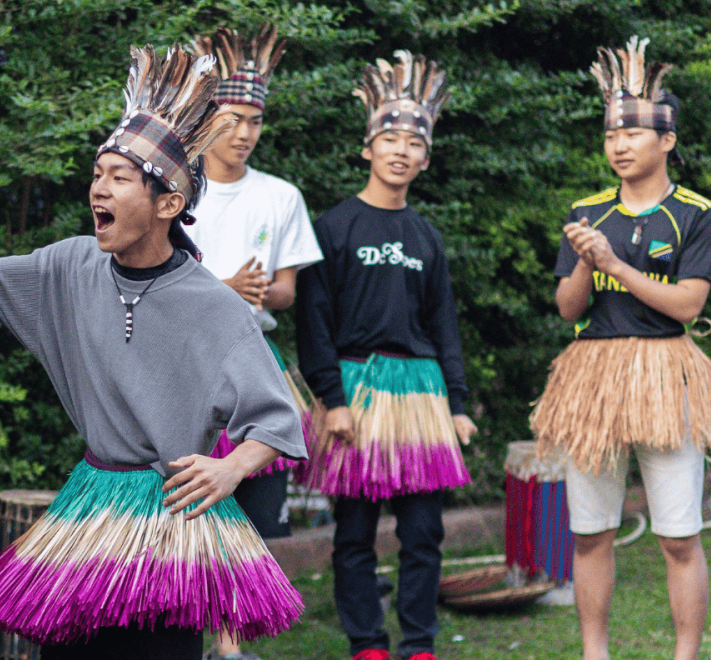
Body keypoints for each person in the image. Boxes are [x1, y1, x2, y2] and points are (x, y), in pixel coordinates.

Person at [0, 45, 305, 659]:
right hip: (91, 508)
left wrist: (229, 468)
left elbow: (277, 419)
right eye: (97, 173)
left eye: (119, 177)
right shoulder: (70, 266)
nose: (98, 189)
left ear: (168, 203)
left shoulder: (214, 306)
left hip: (171, 519)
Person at [531, 36, 711, 660]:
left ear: (666, 140)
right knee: (590, 533)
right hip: (593, 376)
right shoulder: (587, 212)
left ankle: (685, 655)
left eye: (634, 134)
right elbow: (568, 308)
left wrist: (613, 259)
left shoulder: (697, 214)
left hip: (665, 374)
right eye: (612, 134)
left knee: (678, 535)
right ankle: (595, 653)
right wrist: (589, 262)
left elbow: (687, 305)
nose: (619, 145)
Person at [293, 51, 476, 660]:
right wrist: (331, 399)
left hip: (421, 394)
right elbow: (314, 320)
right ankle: (367, 642)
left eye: (413, 143)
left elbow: (444, 326)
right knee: (355, 533)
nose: (401, 151)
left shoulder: (427, 237)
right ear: (368, 147)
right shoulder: (333, 227)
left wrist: (459, 403)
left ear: (426, 157)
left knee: (424, 531)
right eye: (389, 138)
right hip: (356, 390)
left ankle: (418, 643)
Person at [188, 23, 322, 660]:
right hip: (183, 365)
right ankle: (188, 630)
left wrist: (257, 291)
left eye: (255, 122)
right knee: (185, 495)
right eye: (234, 117)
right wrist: (220, 286)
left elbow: (289, 292)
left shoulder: (280, 196)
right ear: (208, 115)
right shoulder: (174, 186)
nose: (244, 132)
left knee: (251, 502)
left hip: (254, 361)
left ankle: (231, 640)